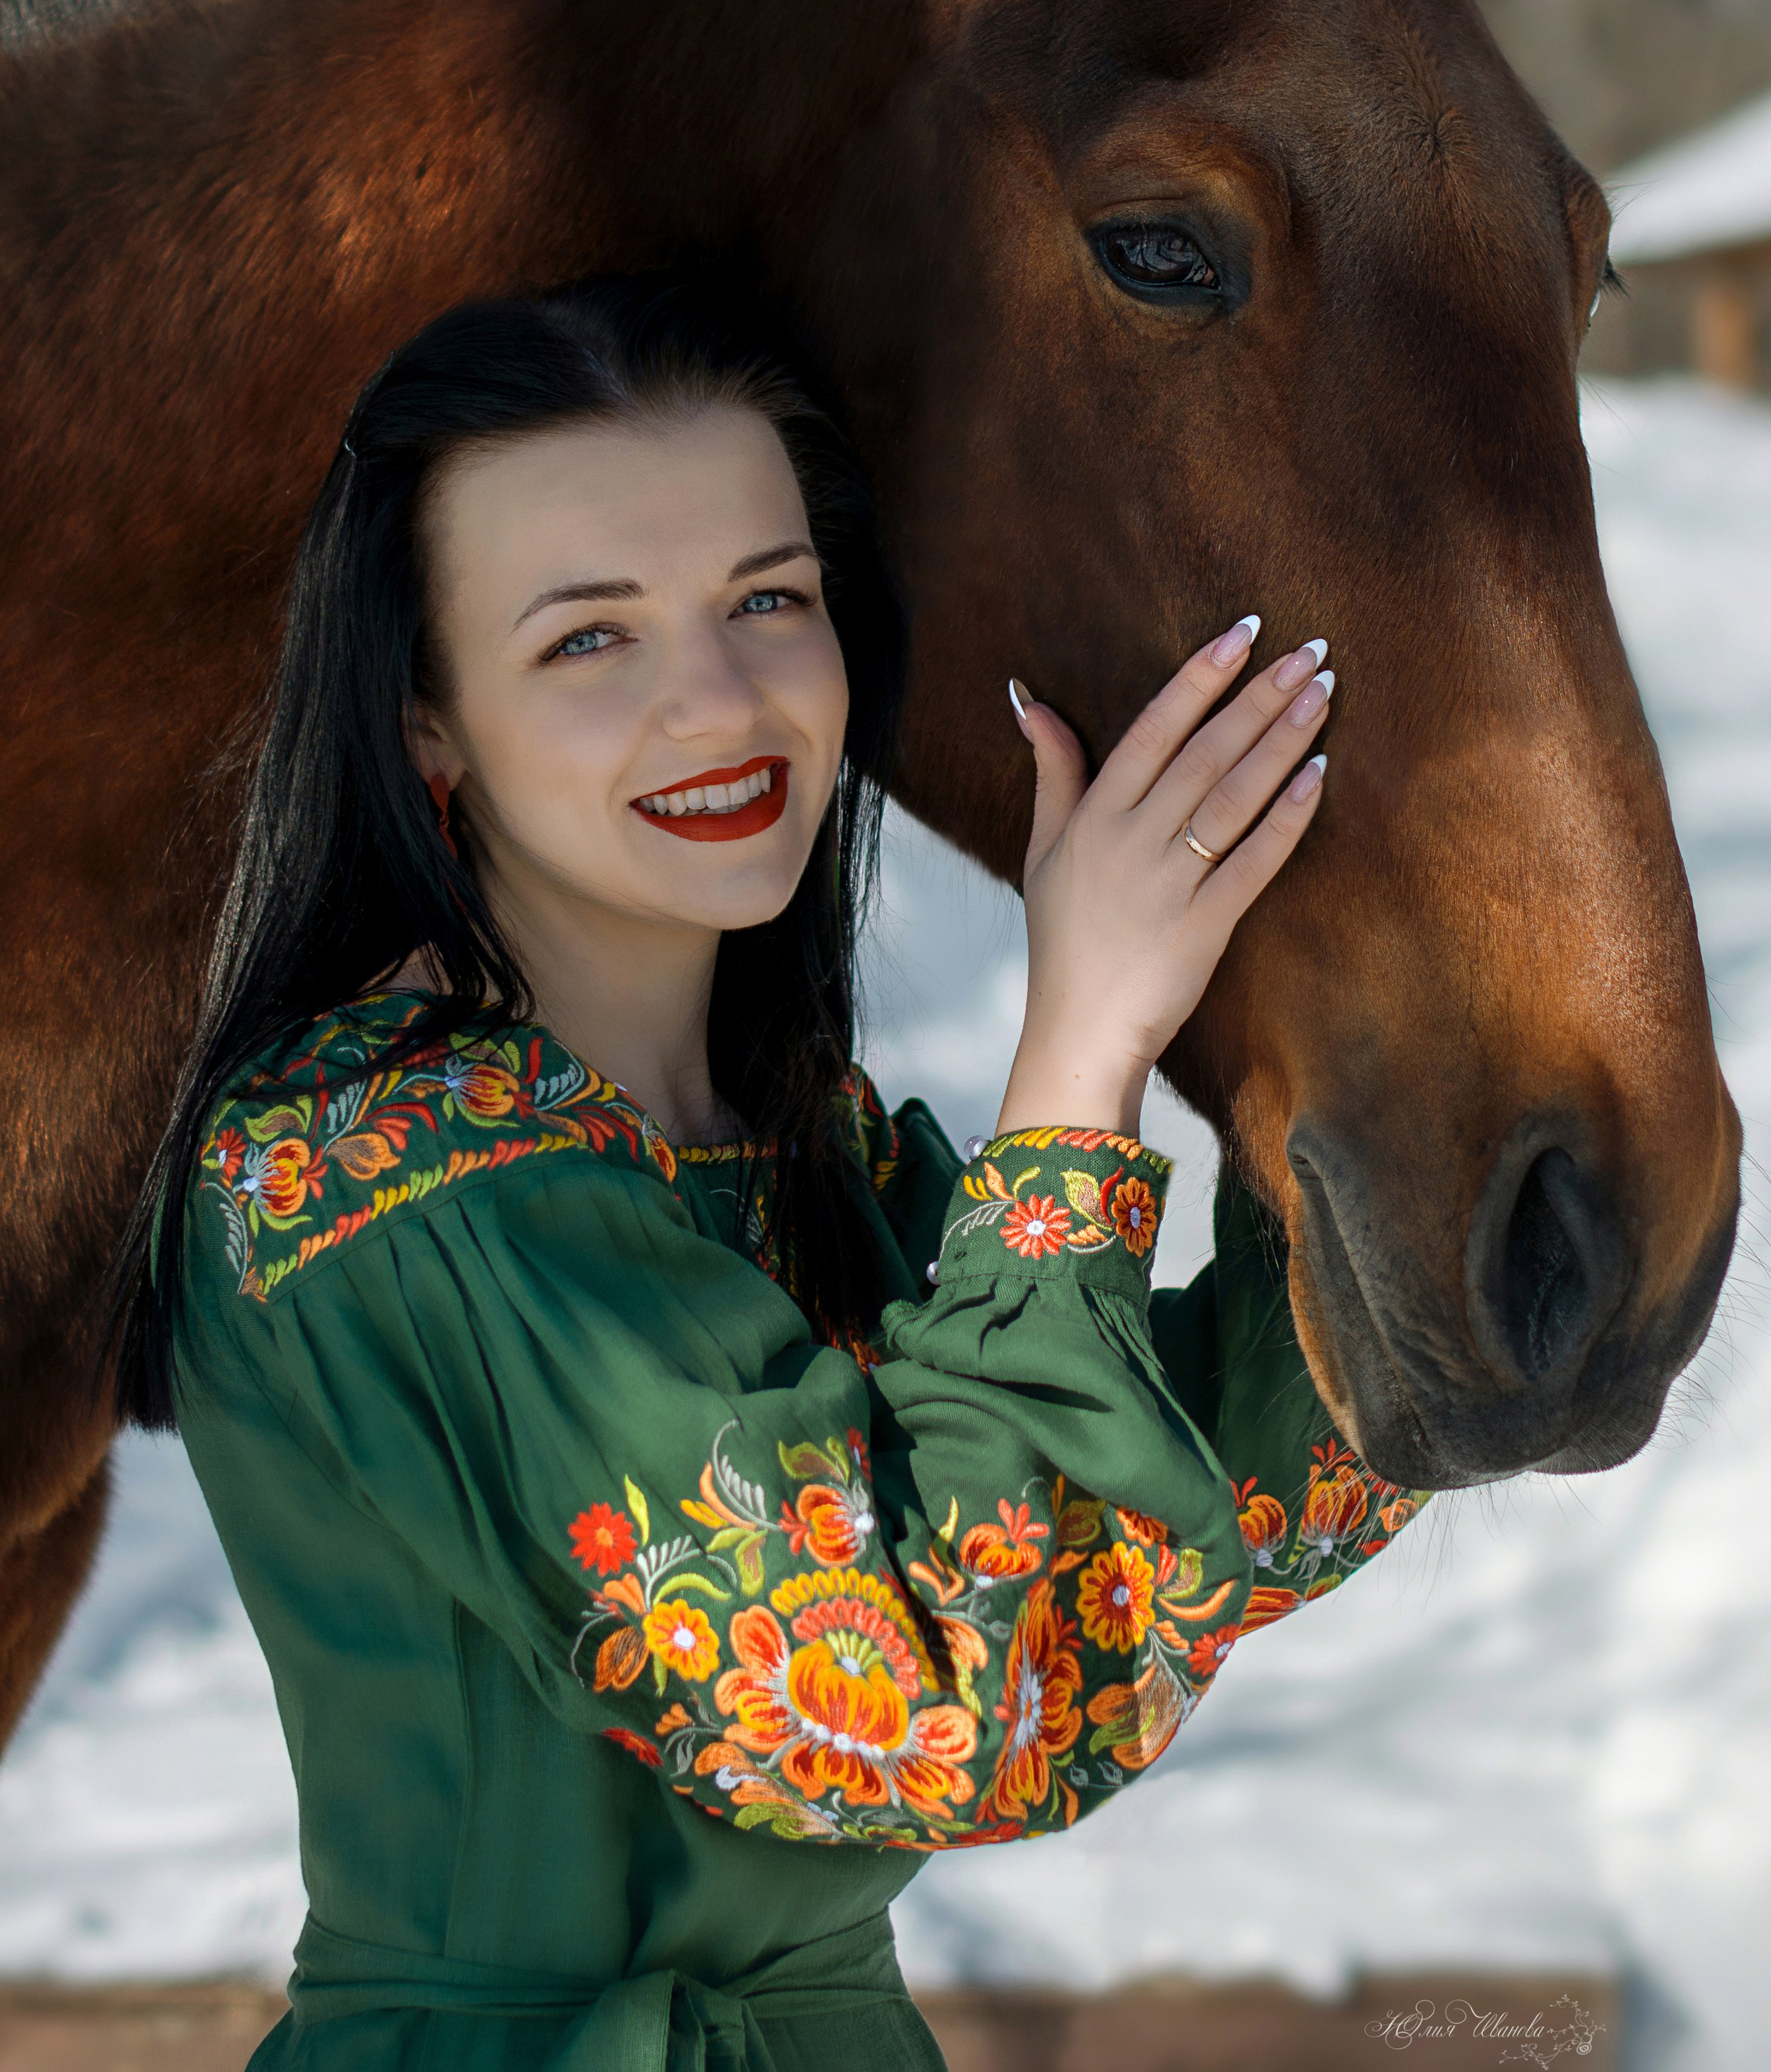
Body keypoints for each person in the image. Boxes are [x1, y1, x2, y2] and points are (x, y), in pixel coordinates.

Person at [108, 279, 1429, 2071]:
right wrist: (1081, 1052)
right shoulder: (373, 1172)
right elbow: (928, 1698)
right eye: (592, 639)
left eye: (768, 599)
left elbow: (1124, 1546)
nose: (718, 700)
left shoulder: (800, 1142)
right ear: (429, 723)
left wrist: (1430, 1142)